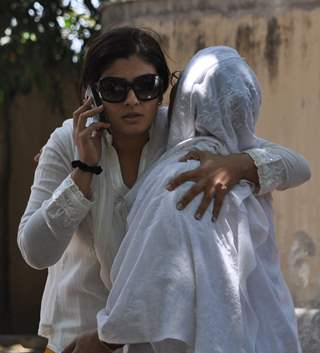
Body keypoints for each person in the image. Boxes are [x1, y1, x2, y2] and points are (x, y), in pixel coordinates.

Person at [17, 27, 309, 353]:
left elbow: (297, 165)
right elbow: (36, 252)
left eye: (145, 86)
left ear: (162, 89)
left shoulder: (182, 134)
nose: (132, 100)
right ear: (92, 94)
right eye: (114, 88)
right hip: (78, 338)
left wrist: (237, 165)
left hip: (147, 341)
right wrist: (82, 171)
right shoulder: (66, 141)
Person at [94, 47, 304, 353]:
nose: (132, 100)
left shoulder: (187, 177)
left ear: (186, 102)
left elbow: (149, 276)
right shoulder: (253, 171)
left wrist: (104, 339)